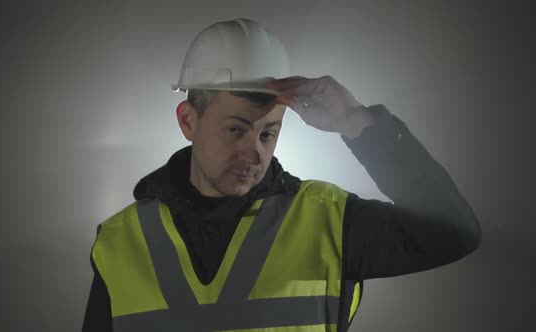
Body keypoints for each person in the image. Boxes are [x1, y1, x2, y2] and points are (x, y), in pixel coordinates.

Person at [82, 18, 481, 332]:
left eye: (268, 132)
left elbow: (454, 233)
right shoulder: (119, 242)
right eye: (235, 129)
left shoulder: (329, 221)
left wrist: (356, 122)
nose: (254, 151)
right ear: (189, 121)